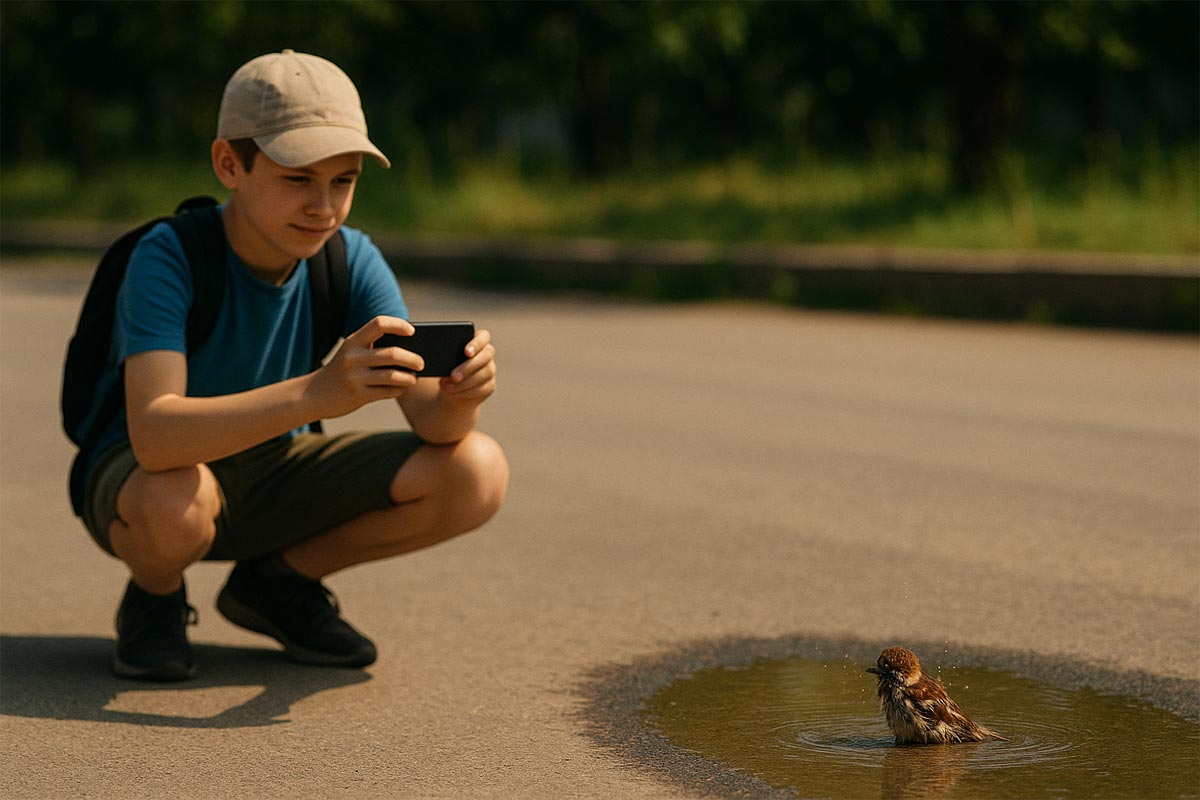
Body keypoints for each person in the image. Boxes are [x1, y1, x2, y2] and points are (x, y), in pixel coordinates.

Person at [78, 50, 509, 681]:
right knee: (175, 502)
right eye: (298, 179)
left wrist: (461, 398)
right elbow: (154, 436)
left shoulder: (350, 258)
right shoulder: (170, 255)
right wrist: (317, 394)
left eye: (344, 181)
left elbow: (435, 427)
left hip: (278, 468)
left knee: (477, 470)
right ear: (229, 164)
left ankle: (278, 584)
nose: (324, 207)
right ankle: (155, 596)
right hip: (152, 481)